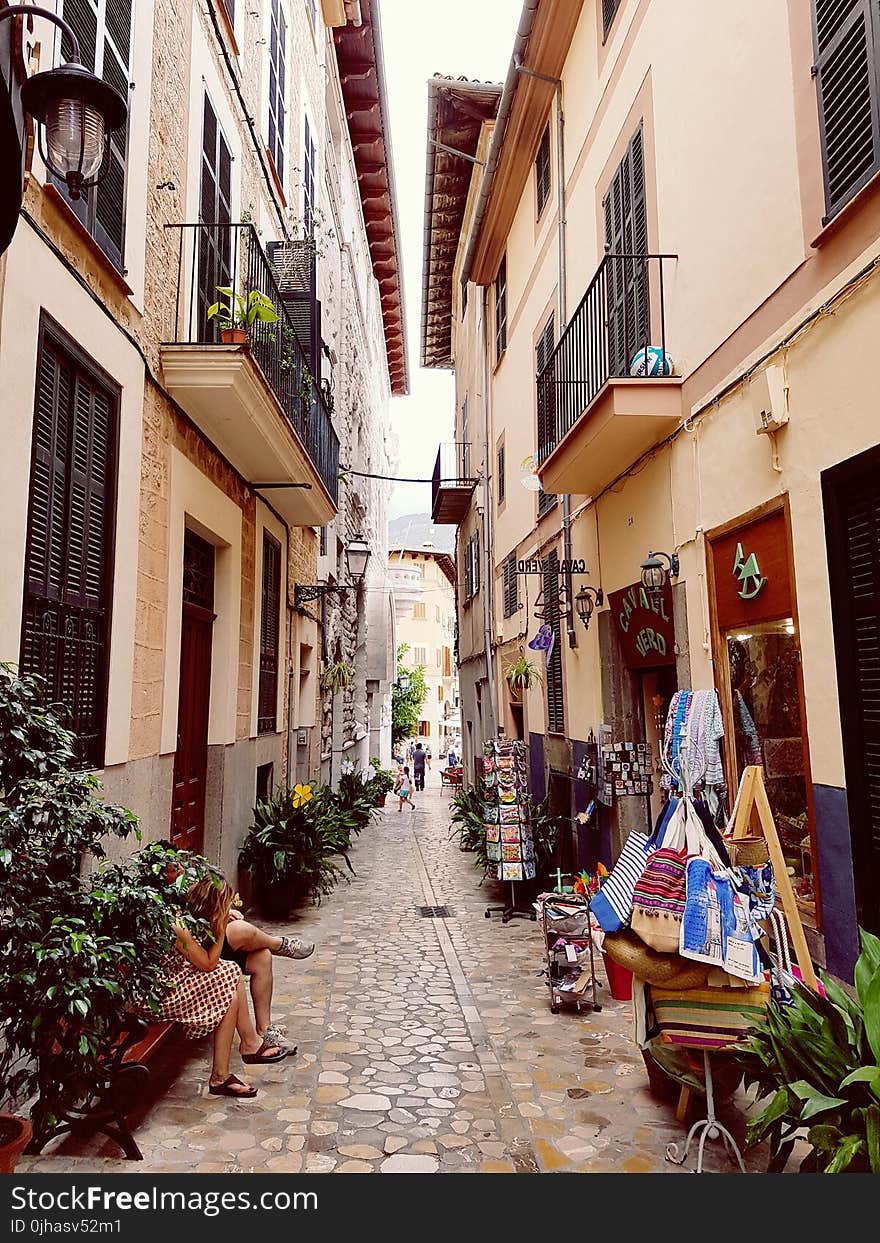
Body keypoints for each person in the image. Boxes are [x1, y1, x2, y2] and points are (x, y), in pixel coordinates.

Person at [149, 877, 287, 1098]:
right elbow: (208, 963)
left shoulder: (188, 918)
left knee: (230, 984)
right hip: (161, 995)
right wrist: (222, 925)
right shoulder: (178, 925)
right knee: (228, 971)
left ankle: (222, 1074)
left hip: (175, 980)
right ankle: (248, 1045)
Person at [189, 879, 314, 1052]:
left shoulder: (187, 878)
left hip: (208, 948)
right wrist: (220, 919)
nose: (180, 867)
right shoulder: (166, 894)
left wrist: (225, 912)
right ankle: (279, 944)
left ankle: (265, 1031)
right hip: (196, 965)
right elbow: (206, 960)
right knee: (239, 929)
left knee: (262, 957)